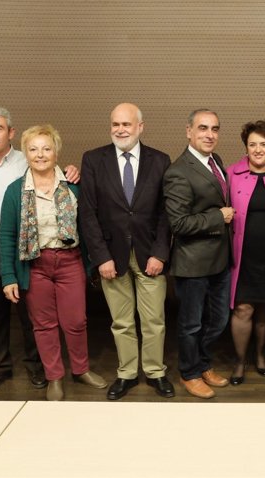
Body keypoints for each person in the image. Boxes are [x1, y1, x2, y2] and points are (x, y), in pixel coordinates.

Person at [0, 106, 79, 394]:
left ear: (11, 133)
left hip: (27, 246)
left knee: (31, 313)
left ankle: (37, 365)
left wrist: (72, 171)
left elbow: (54, 171)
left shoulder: (25, 159)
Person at [0, 124, 106, 401]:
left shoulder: (73, 184)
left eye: (47, 148)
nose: (40, 154)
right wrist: (9, 277)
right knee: (44, 325)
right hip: (36, 265)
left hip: (70, 262)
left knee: (76, 321)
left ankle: (80, 370)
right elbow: (7, 237)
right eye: (33, 149)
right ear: (26, 153)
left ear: (56, 151)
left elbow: (92, 224)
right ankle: (54, 377)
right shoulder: (15, 191)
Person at [79, 103, 174, 400]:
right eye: (115, 124)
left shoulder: (160, 161)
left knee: (154, 320)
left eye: (127, 124)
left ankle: (156, 372)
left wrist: (160, 253)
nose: (120, 129)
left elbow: (166, 212)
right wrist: (101, 257)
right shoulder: (94, 160)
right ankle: (127, 373)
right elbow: (88, 214)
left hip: (150, 255)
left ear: (140, 127)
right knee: (121, 321)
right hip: (111, 255)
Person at [163, 109, 233, 399]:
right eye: (203, 128)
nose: (209, 134)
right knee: (191, 323)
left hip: (219, 259)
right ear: (188, 131)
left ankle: (203, 364)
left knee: (217, 320)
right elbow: (178, 223)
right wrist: (219, 216)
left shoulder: (215, 161)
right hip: (192, 262)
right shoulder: (178, 171)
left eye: (214, 129)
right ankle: (189, 373)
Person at [227, 120, 265, 385]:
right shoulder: (231, 173)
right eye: (252, 144)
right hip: (242, 256)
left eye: (263, 144)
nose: (258, 149)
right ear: (246, 147)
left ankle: (261, 355)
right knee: (243, 309)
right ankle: (240, 361)